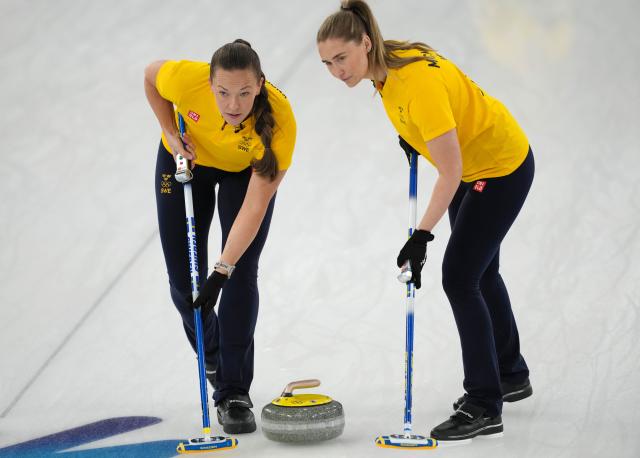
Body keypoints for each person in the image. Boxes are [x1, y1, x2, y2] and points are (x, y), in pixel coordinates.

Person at [317, 0, 534, 443]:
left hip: (498, 168)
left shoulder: (416, 86)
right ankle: (511, 374)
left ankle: (483, 403)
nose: (336, 71)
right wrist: (415, 134)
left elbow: (450, 173)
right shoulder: (386, 65)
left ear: (364, 43)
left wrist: (421, 237)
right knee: (481, 271)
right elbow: (433, 124)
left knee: (460, 277)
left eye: (341, 58)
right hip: (478, 165)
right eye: (326, 63)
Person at [144, 39, 296, 434]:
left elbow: (255, 205)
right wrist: (169, 132)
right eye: (223, 92)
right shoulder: (186, 79)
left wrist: (223, 269)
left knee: (241, 273)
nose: (233, 104)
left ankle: (233, 391)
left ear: (260, 85)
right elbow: (150, 76)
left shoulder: (280, 122)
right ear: (209, 84)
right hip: (187, 161)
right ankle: (213, 355)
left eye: (245, 93)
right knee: (185, 284)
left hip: (243, 174)